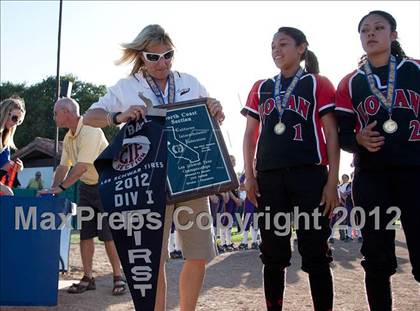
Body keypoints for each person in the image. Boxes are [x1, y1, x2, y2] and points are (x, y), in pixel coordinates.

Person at [82, 24, 225, 311]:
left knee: (198, 254)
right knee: (153, 257)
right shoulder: (127, 86)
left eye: (168, 55)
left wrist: (216, 109)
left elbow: (211, 116)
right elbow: (89, 116)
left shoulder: (191, 82)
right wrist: (118, 116)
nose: (163, 63)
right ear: (141, 56)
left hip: (190, 177)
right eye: (154, 57)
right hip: (147, 180)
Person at [242, 27, 339, 311]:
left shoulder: (317, 83)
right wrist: (249, 176)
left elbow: (331, 133)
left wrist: (332, 181)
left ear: (301, 48)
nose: (276, 50)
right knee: (273, 254)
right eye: (272, 45)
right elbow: (249, 135)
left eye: (283, 44)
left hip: (309, 175)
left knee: (316, 253)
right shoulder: (261, 87)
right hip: (270, 179)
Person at [335, 10, 419, 311]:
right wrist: (357, 139)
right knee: (376, 257)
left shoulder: (416, 70)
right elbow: (341, 135)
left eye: (379, 28)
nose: (371, 34)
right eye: (365, 30)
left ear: (393, 35)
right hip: (372, 176)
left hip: (416, 172)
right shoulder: (350, 82)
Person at [40, 97, 126, 296]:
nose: (54, 117)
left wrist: (61, 188)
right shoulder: (69, 137)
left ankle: (117, 277)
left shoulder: (90, 129)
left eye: (55, 113)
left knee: (108, 236)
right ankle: (88, 277)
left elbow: (82, 166)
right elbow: (64, 166)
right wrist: (51, 189)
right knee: (86, 234)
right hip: (87, 187)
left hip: (107, 185)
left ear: (66, 112)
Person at [0, 96, 25, 195]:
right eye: (14, 118)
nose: (15, 124)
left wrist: (15, 168)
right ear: (5, 113)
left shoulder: (6, 140)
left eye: (19, 121)